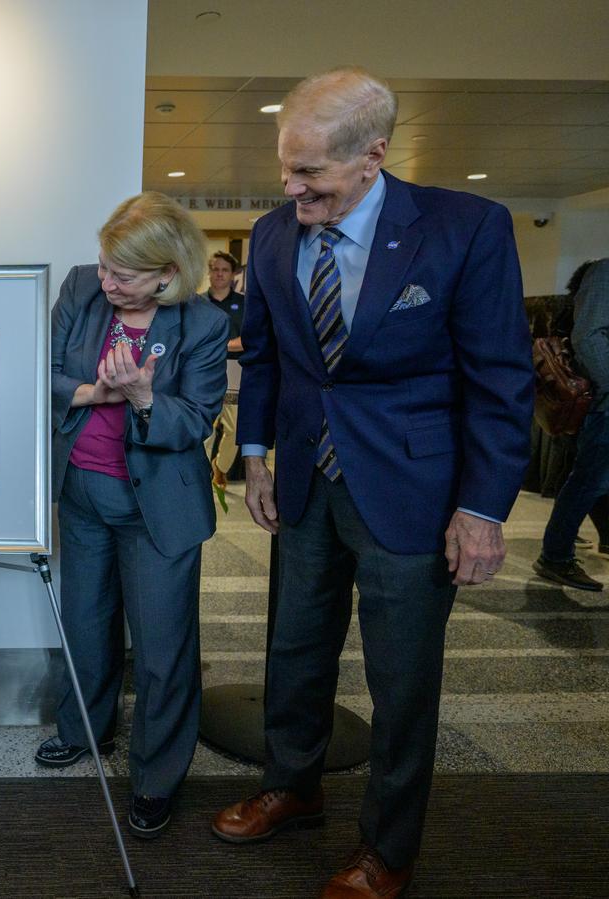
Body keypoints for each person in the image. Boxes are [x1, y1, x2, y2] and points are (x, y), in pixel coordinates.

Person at [211, 68, 533, 898]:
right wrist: (255, 456)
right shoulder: (277, 233)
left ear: (372, 156)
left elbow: (501, 380)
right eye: (286, 169)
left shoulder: (465, 229)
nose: (291, 188)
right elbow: (271, 354)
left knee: (401, 677)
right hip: (308, 480)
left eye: (310, 173)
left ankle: (387, 848)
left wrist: (482, 508)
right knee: (294, 648)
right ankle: (295, 783)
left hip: (415, 492)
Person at [39, 192, 228, 839]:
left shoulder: (202, 324)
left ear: (167, 275)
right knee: (86, 622)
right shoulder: (81, 290)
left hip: (158, 509)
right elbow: (43, 370)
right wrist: (95, 390)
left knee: (161, 648)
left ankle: (155, 777)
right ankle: (83, 730)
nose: (106, 279)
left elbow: (198, 417)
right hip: (84, 492)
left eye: (123, 273)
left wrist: (146, 397)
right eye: (103, 264)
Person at [534, 258, 609, 590]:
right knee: (588, 481)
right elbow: (589, 336)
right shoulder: (604, 272)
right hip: (606, 403)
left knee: (595, 479)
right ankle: (556, 556)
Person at [206, 251, 245, 484]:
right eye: (215, 269)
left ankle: (220, 465)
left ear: (233, 274)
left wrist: (221, 346)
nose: (219, 274)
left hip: (234, 371)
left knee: (234, 428)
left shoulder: (244, 303)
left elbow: (250, 338)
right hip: (203, 371)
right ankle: (198, 473)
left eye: (225, 270)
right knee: (203, 428)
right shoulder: (196, 303)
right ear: (209, 272)